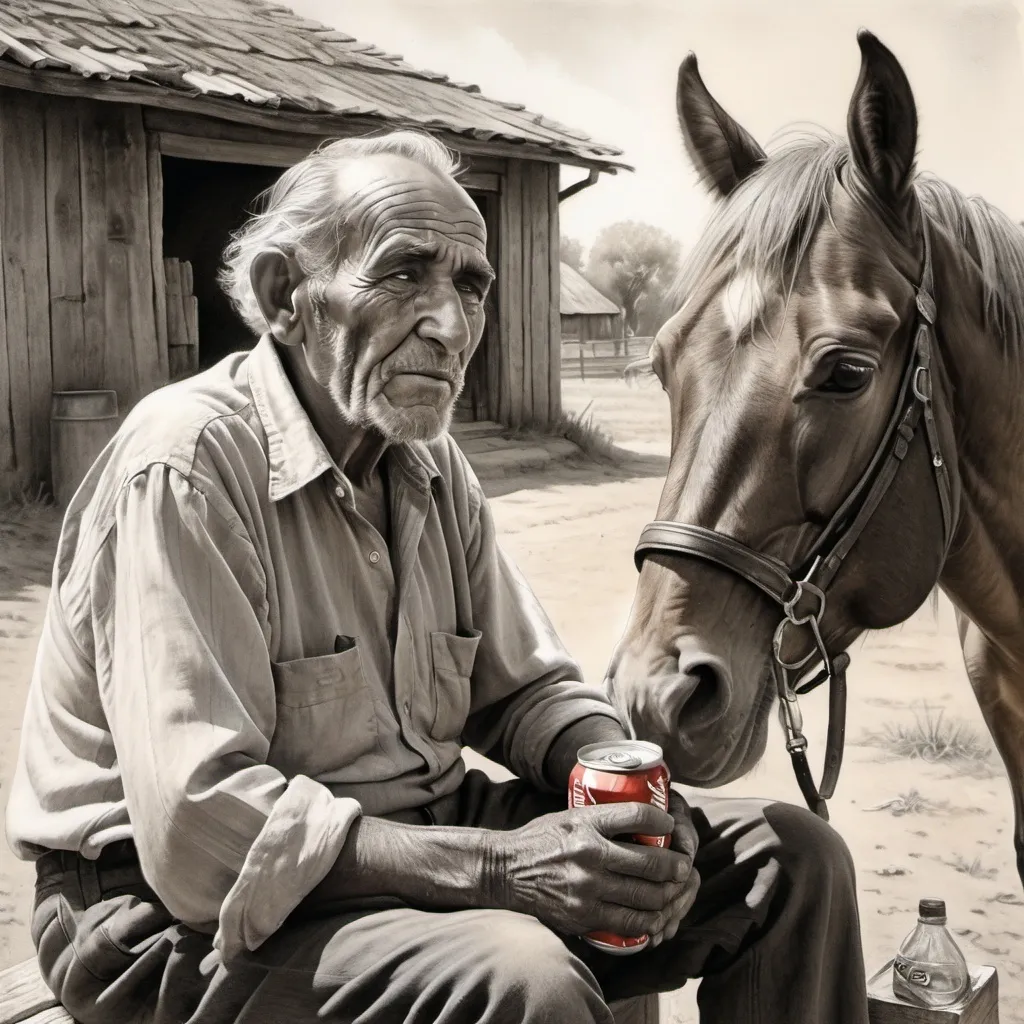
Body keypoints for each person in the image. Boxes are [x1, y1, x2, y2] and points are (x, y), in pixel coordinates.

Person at [5, 130, 870, 1024]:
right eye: (405, 273)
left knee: (791, 861)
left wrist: (630, 797)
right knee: (524, 979)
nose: (452, 326)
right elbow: (199, 833)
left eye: (470, 284)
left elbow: (526, 690)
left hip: (409, 844)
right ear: (283, 297)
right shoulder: (189, 460)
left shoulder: (426, 463)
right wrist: (502, 867)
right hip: (161, 915)